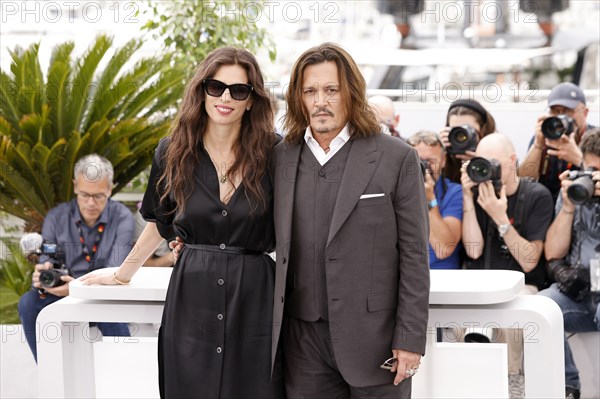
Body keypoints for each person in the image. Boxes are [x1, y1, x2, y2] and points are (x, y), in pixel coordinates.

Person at [81, 47, 284, 398]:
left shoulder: (274, 153)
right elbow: (160, 222)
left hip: (255, 300)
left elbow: (295, 228)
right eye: (215, 86)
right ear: (201, 90)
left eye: (239, 90)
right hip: (193, 297)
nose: (226, 97)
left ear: (251, 100)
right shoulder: (172, 151)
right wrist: (121, 274)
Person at [272, 42, 430, 398]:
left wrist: (409, 338)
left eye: (331, 90)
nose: (320, 101)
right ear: (298, 98)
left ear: (352, 94)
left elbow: (414, 254)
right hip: (302, 344)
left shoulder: (396, 157)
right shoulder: (280, 158)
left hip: (377, 342)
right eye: (310, 91)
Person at [461, 133, 554, 397]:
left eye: (491, 162)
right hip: (480, 286)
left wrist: (500, 218)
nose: (485, 169)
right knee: (456, 321)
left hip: (522, 287)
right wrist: (468, 200)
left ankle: (514, 386)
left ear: (512, 161)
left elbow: (529, 261)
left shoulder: (536, 195)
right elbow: (473, 251)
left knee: (510, 320)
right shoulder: (477, 195)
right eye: (479, 162)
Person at [17, 154, 134, 361]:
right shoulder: (56, 217)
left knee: (112, 311)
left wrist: (76, 289)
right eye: (84, 195)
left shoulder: (123, 217)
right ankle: (47, 368)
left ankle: (122, 370)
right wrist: (43, 272)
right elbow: (48, 259)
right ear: (74, 187)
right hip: (61, 293)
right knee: (28, 303)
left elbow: (115, 270)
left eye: (98, 196)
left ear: (109, 189)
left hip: (101, 296)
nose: (90, 203)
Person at [538, 128, 600, 399]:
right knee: (541, 309)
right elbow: (552, 252)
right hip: (581, 293)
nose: (594, 178)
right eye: (591, 169)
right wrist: (567, 208)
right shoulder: (576, 191)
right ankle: (568, 388)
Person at [518, 82, 593, 202]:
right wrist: (537, 145)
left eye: (568, 111)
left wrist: (579, 159)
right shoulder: (545, 137)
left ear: (585, 112)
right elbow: (522, 183)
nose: (561, 117)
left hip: (584, 206)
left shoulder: (595, 138)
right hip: (545, 208)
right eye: (555, 111)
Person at [408, 130, 463, 269]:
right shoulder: (396, 192)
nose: (424, 168)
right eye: (418, 161)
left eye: (430, 161)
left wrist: (428, 199)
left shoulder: (454, 192)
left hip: (442, 277)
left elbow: (444, 249)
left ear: (443, 160)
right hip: (408, 275)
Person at [440, 99, 497, 183]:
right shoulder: (445, 154)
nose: (462, 136)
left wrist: (481, 163)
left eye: (468, 129)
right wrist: (439, 152)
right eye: (456, 130)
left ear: (483, 129)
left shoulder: (497, 152)